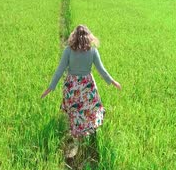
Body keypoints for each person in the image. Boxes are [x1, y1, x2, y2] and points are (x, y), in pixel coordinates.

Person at [41, 25, 121, 157]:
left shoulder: (68, 50)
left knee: (74, 114)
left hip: (72, 87)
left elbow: (59, 71)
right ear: (89, 37)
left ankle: (76, 139)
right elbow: (102, 70)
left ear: (74, 37)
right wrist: (113, 82)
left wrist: (50, 87)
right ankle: (86, 136)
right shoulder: (93, 51)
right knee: (89, 112)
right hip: (87, 86)